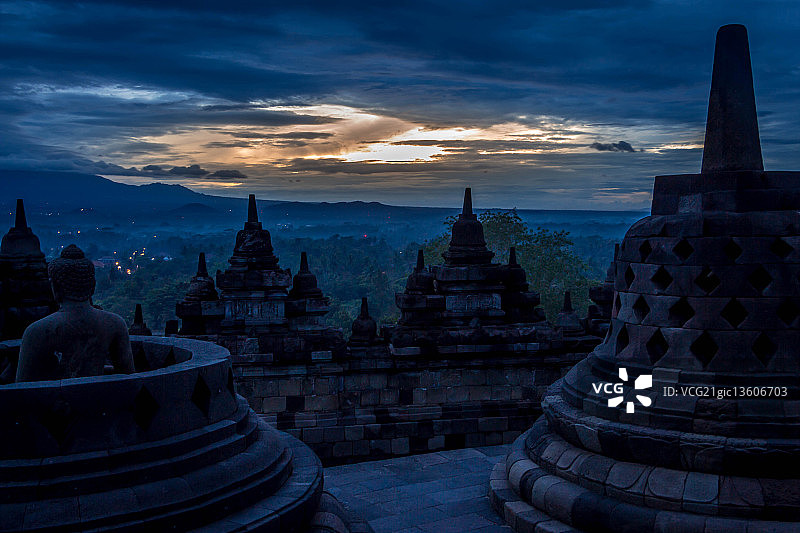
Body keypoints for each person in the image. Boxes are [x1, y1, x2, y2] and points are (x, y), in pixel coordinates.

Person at [16, 245, 134, 381]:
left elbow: (23, 388)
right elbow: (128, 378)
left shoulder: (36, 331)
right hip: (101, 399)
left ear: (54, 286)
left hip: (56, 401)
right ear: (93, 286)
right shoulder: (115, 324)